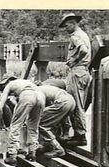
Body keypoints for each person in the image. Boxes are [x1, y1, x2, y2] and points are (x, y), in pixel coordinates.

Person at [0, 74, 45, 164]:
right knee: (33, 126)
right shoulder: (25, 83)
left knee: (15, 125)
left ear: (6, 82)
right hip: (41, 96)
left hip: (28, 95)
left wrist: (0, 124)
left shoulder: (9, 85)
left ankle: (12, 156)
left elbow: (0, 108)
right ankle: (32, 153)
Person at [59, 13, 91, 146]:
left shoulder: (75, 36)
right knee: (80, 104)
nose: (66, 29)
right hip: (83, 72)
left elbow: (83, 50)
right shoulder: (84, 35)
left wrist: (73, 59)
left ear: (72, 23)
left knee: (75, 104)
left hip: (77, 71)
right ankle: (79, 134)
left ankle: (80, 136)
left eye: (66, 26)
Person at [37, 85, 76, 158]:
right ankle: (48, 146)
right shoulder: (45, 89)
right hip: (71, 101)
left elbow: (40, 108)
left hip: (63, 102)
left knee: (41, 125)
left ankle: (58, 148)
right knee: (51, 124)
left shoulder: (36, 91)